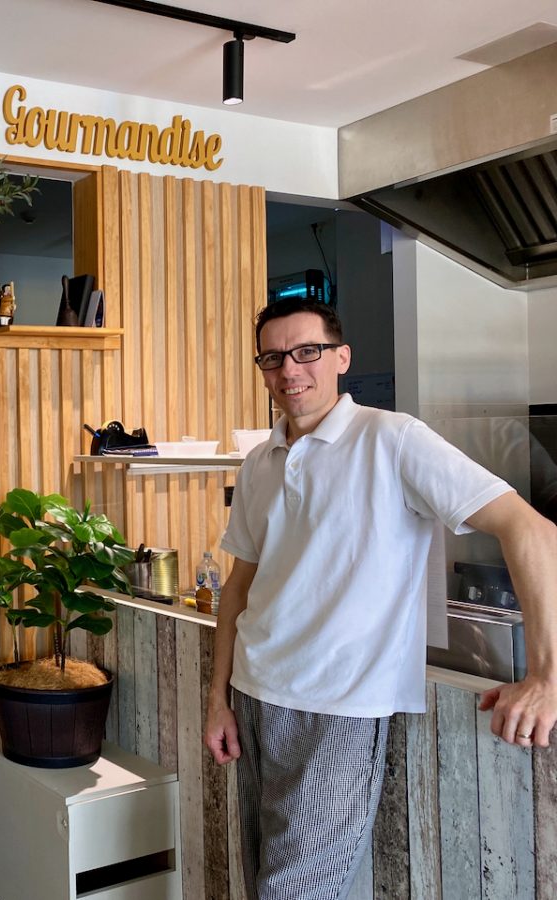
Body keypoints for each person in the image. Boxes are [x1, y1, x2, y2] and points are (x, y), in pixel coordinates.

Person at [203, 297, 557, 900]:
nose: (290, 369)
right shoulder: (261, 460)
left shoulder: (393, 439)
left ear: (340, 357)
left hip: (338, 708)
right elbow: (239, 584)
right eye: (273, 357)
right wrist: (218, 699)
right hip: (253, 692)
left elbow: (530, 527)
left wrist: (547, 676)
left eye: (306, 352)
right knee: (258, 871)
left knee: (293, 892)